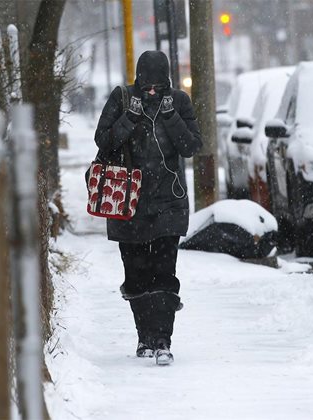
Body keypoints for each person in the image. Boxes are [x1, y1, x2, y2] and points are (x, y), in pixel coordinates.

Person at [94, 51, 202, 365]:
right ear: (138, 79)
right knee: (137, 274)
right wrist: (129, 117)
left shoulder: (179, 101)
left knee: (165, 274)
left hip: (169, 202)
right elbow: (103, 141)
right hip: (127, 201)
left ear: (167, 81)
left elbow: (192, 146)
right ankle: (145, 338)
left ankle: (163, 341)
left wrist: (170, 117)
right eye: (147, 84)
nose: (152, 91)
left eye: (158, 85)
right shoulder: (122, 98)